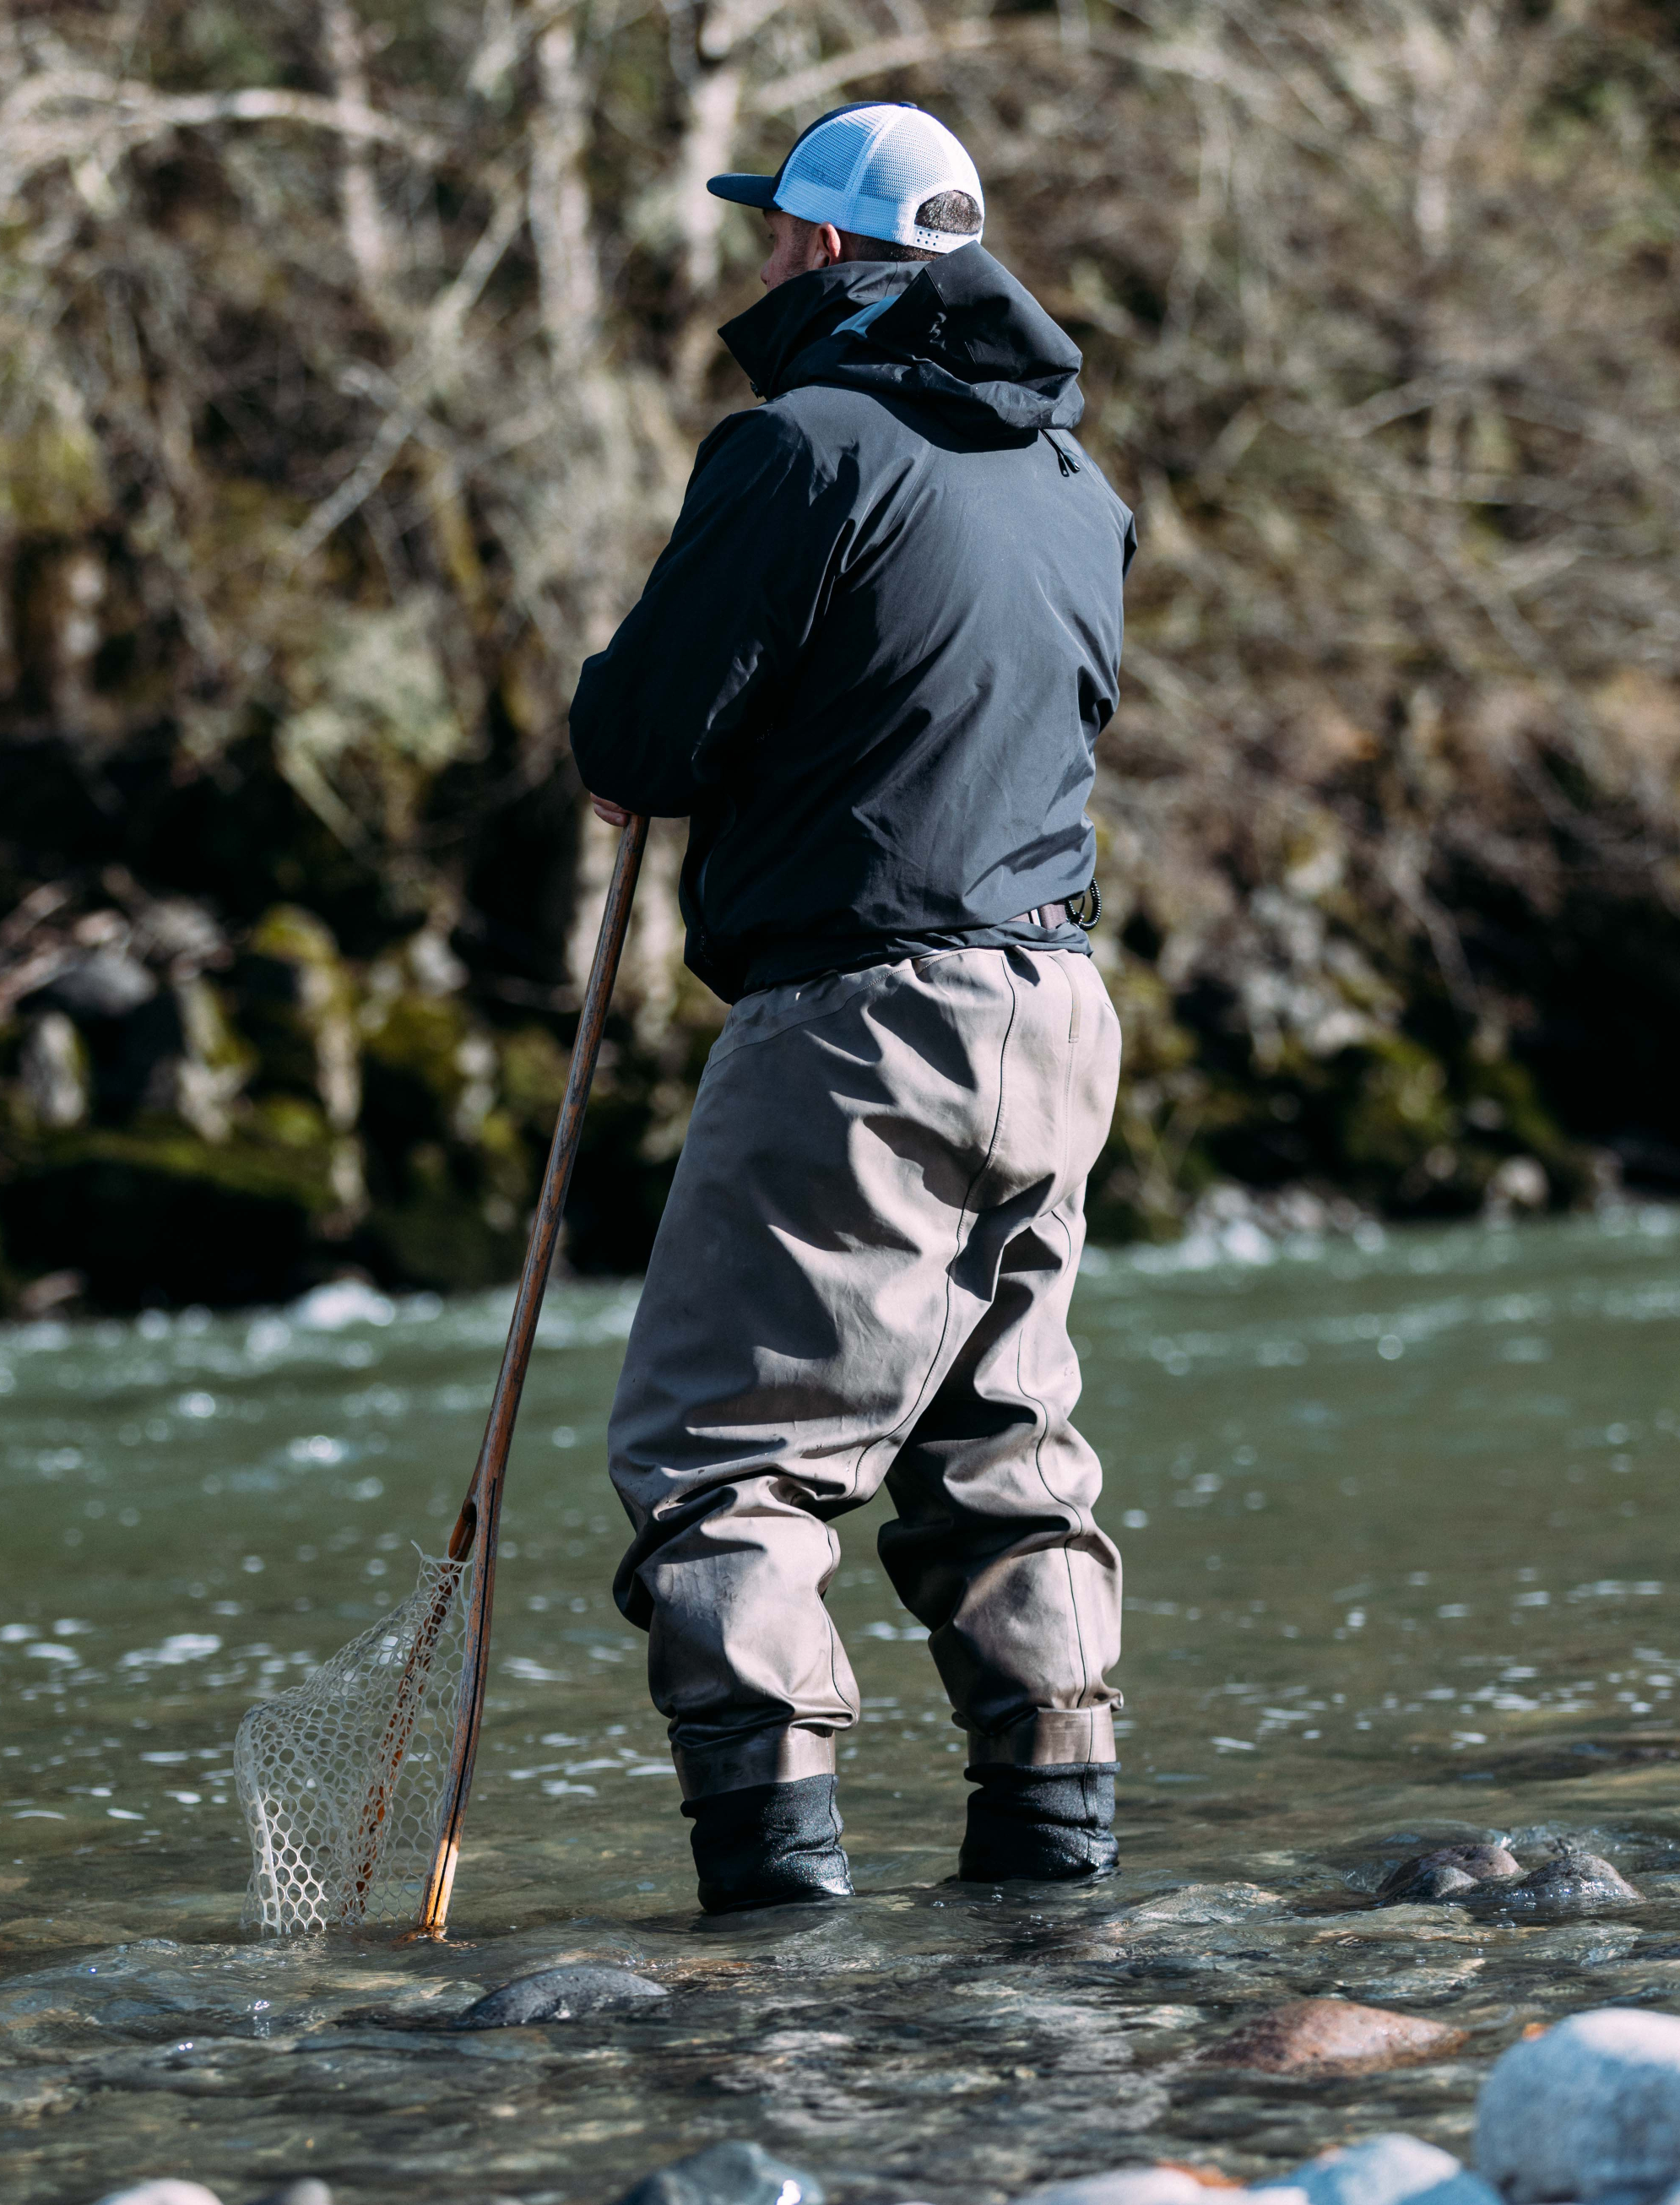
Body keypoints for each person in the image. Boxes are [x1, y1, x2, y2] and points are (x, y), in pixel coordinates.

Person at [569, 102, 1140, 1912]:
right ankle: (1054, 1892)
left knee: (724, 1464)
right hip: (1053, 1005)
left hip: (857, 1022)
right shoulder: (1075, 487)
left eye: (770, 232)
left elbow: (645, 735)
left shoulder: (802, 445)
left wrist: (628, 749)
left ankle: (772, 1930)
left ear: (819, 252)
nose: (754, 258)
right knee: (1000, 1460)